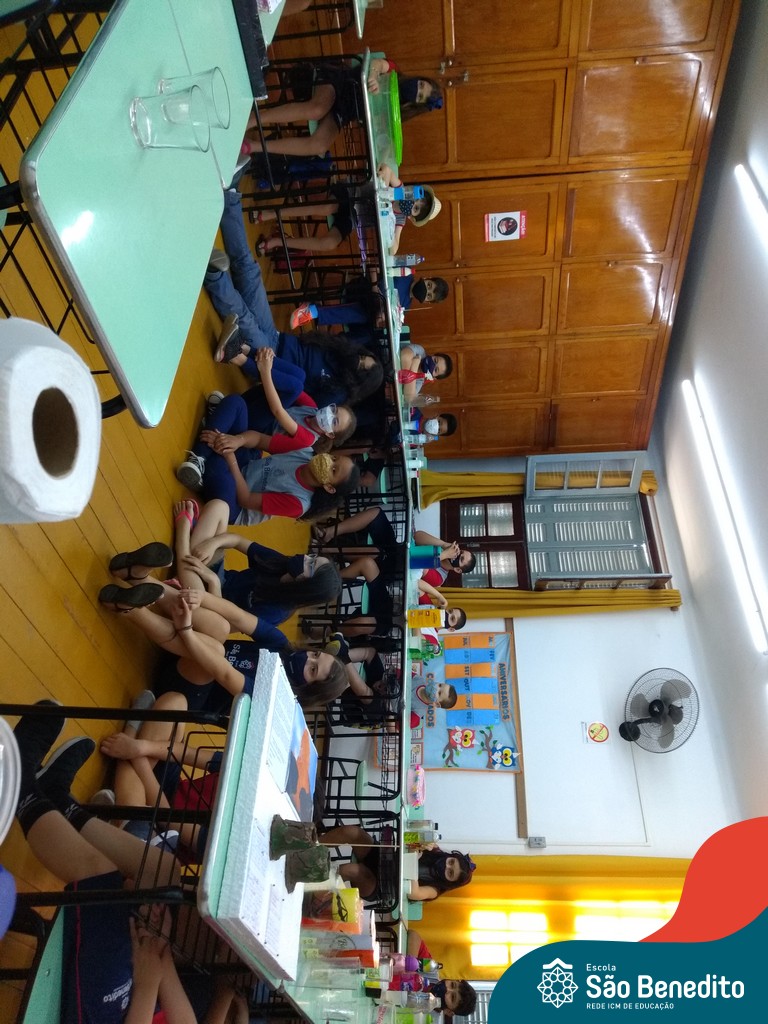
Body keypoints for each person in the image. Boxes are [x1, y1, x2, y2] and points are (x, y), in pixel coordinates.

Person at [12, 706, 198, 1023]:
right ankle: (59, 799)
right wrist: (158, 946)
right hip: (140, 997)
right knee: (162, 871)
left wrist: (147, 985)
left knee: (100, 879)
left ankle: (19, 787)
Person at [175, 394, 360, 525]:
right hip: (243, 466)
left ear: (329, 487)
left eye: (333, 470)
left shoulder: (299, 503)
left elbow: (245, 499)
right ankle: (199, 459)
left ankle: (212, 438)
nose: (329, 462)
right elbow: (258, 439)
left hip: (235, 504)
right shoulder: (305, 452)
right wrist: (237, 441)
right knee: (236, 403)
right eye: (334, 458)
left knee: (222, 474)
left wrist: (229, 455)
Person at [240, 57, 442, 160]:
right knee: (317, 109)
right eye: (421, 85)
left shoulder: (396, 115)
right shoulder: (394, 71)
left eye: (420, 96)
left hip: (344, 112)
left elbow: (381, 134)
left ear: (416, 104)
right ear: (419, 79)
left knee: (319, 146)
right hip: (339, 82)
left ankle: (255, 147)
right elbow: (377, 64)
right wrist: (373, 76)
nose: (417, 90)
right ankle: (253, 120)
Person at [250, 183, 441, 256]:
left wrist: (390, 237)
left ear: (412, 216)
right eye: (418, 199)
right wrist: (385, 175)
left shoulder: (400, 220)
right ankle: (270, 213)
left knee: (329, 243)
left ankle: (278, 242)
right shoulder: (398, 188)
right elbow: (388, 172)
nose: (413, 203)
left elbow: (394, 248)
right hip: (350, 195)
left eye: (416, 208)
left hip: (353, 219)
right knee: (327, 207)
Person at [318, 827, 475, 902]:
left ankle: (315, 881)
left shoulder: (435, 890)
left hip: (380, 885)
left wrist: (412, 858)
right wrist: (420, 839)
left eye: (450, 873)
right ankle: (313, 846)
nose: (446, 867)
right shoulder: (434, 850)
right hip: (381, 857)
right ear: (449, 856)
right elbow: (408, 836)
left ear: (449, 882)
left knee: (353, 870)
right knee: (353, 833)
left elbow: (414, 893)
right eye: (451, 862)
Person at [289, 274, 450, 330]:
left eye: (429, 295)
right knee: (365, 309)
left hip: (369, 308)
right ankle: (311, 311)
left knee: (367, 322)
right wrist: (376, 292)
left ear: (427, 302)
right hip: (364, 288)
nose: (426, 291)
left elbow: (386, 316)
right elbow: (375, 270)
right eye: (429, 286)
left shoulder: (406, 306)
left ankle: (313, 312)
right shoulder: (405, 273)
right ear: (427, 278)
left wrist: (382, 318)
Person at [401, 931, 478, 1018]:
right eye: (452, 984)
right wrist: (410, 971)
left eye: (452, 997)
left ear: (449, 1012)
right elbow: (414, 935)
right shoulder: (431, 971)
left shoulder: (430, 1019)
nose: (447, 989)